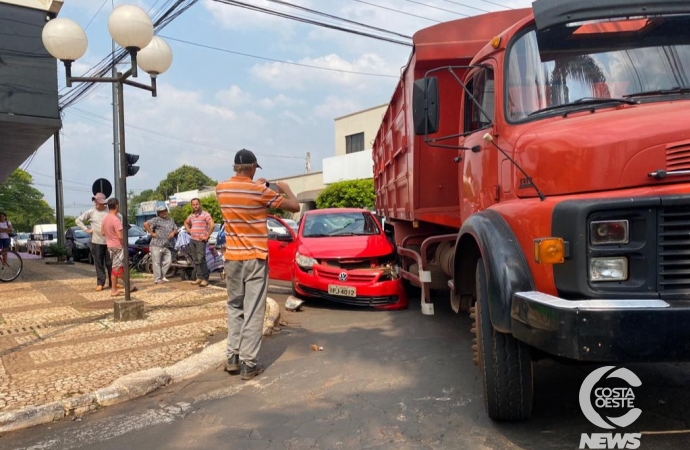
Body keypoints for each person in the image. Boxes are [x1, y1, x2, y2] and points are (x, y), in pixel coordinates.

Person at [216, 148, 300, 380]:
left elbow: (242, 192)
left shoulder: (221, 189)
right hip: (254, 257)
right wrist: (285, 189)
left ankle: (232, 357)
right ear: (253, 168)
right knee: (253, 310)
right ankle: (248, 363)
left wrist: (257, 187)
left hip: (232, 258)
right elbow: (295, 207)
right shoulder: (259, 191)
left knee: (235, 307)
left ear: (235, 167)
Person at [76, 193, 113, 291]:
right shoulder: (91, 212)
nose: (95, 203)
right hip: (96, 242)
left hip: (109, 242)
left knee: (110, 263)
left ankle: (113, 282)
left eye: (97, 201)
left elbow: (120, 218)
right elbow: (78, 220)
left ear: (103, 203)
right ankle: (100, 282)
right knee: (98, 263)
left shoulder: (109, 211)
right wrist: (86, 229)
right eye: (95, 201)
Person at [101, 198, 135, 297]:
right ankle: (129, 285)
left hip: (109, 245)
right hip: (118, 246)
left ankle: (114, 289)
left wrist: (109, 235)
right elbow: (120, 236)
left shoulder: (105, 218)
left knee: (114, 268)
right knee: (117, 269)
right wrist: (125, 244)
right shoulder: (116, 219)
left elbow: (102, 232)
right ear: (116, 205)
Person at [184, 198, 214, 287]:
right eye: (193, 204)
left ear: (199, 204)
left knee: (201, 259)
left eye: (197, 204)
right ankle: (199, 277)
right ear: (191, 205)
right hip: (192, 239)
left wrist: (207, 235)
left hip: (201, 241)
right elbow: (186, 222)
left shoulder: (205, 214)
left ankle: (205, 279)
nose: (195, 206)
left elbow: (212, 225)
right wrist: (189, 229)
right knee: (196, 260)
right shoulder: (191, 216)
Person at [144, 205, 178, 284]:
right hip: (156, 244)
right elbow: (145, 224)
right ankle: (157, 279)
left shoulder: (170, 220)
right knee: (156, 262)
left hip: (166, 244)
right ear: (158, 213)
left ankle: (161, 276)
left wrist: (173, 232)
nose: (164, 213)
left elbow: (175, 228)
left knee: (168, 261)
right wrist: (151, 233)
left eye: (165, 211)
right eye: (161, 212)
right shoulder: (156, 220)